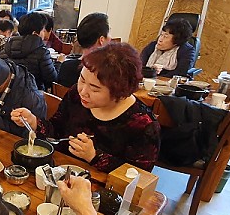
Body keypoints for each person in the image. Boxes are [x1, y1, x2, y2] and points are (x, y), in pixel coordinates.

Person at [13, 42, 160, 172]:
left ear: (120, 93)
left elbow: (138, 176)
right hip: (60, 172)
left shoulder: (143, 124)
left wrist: (95, 156)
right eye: (82, 80)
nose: (83, 91)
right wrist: (33, 122)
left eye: (95, 89)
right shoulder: (75, 95)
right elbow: (56, 130)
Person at [0, 11, 56, 91]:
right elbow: (51, 78)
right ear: (35, 33)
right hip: (33, 97)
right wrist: (58, 63)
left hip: (7, 95)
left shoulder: (5, 48)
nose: (44, 33)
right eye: (43, 30)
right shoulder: (42, 52)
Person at [57, 13, 111, 88]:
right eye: (109, 33)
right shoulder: (103, 73)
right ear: (101, 40)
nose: (110, 38)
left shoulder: (66, 66)